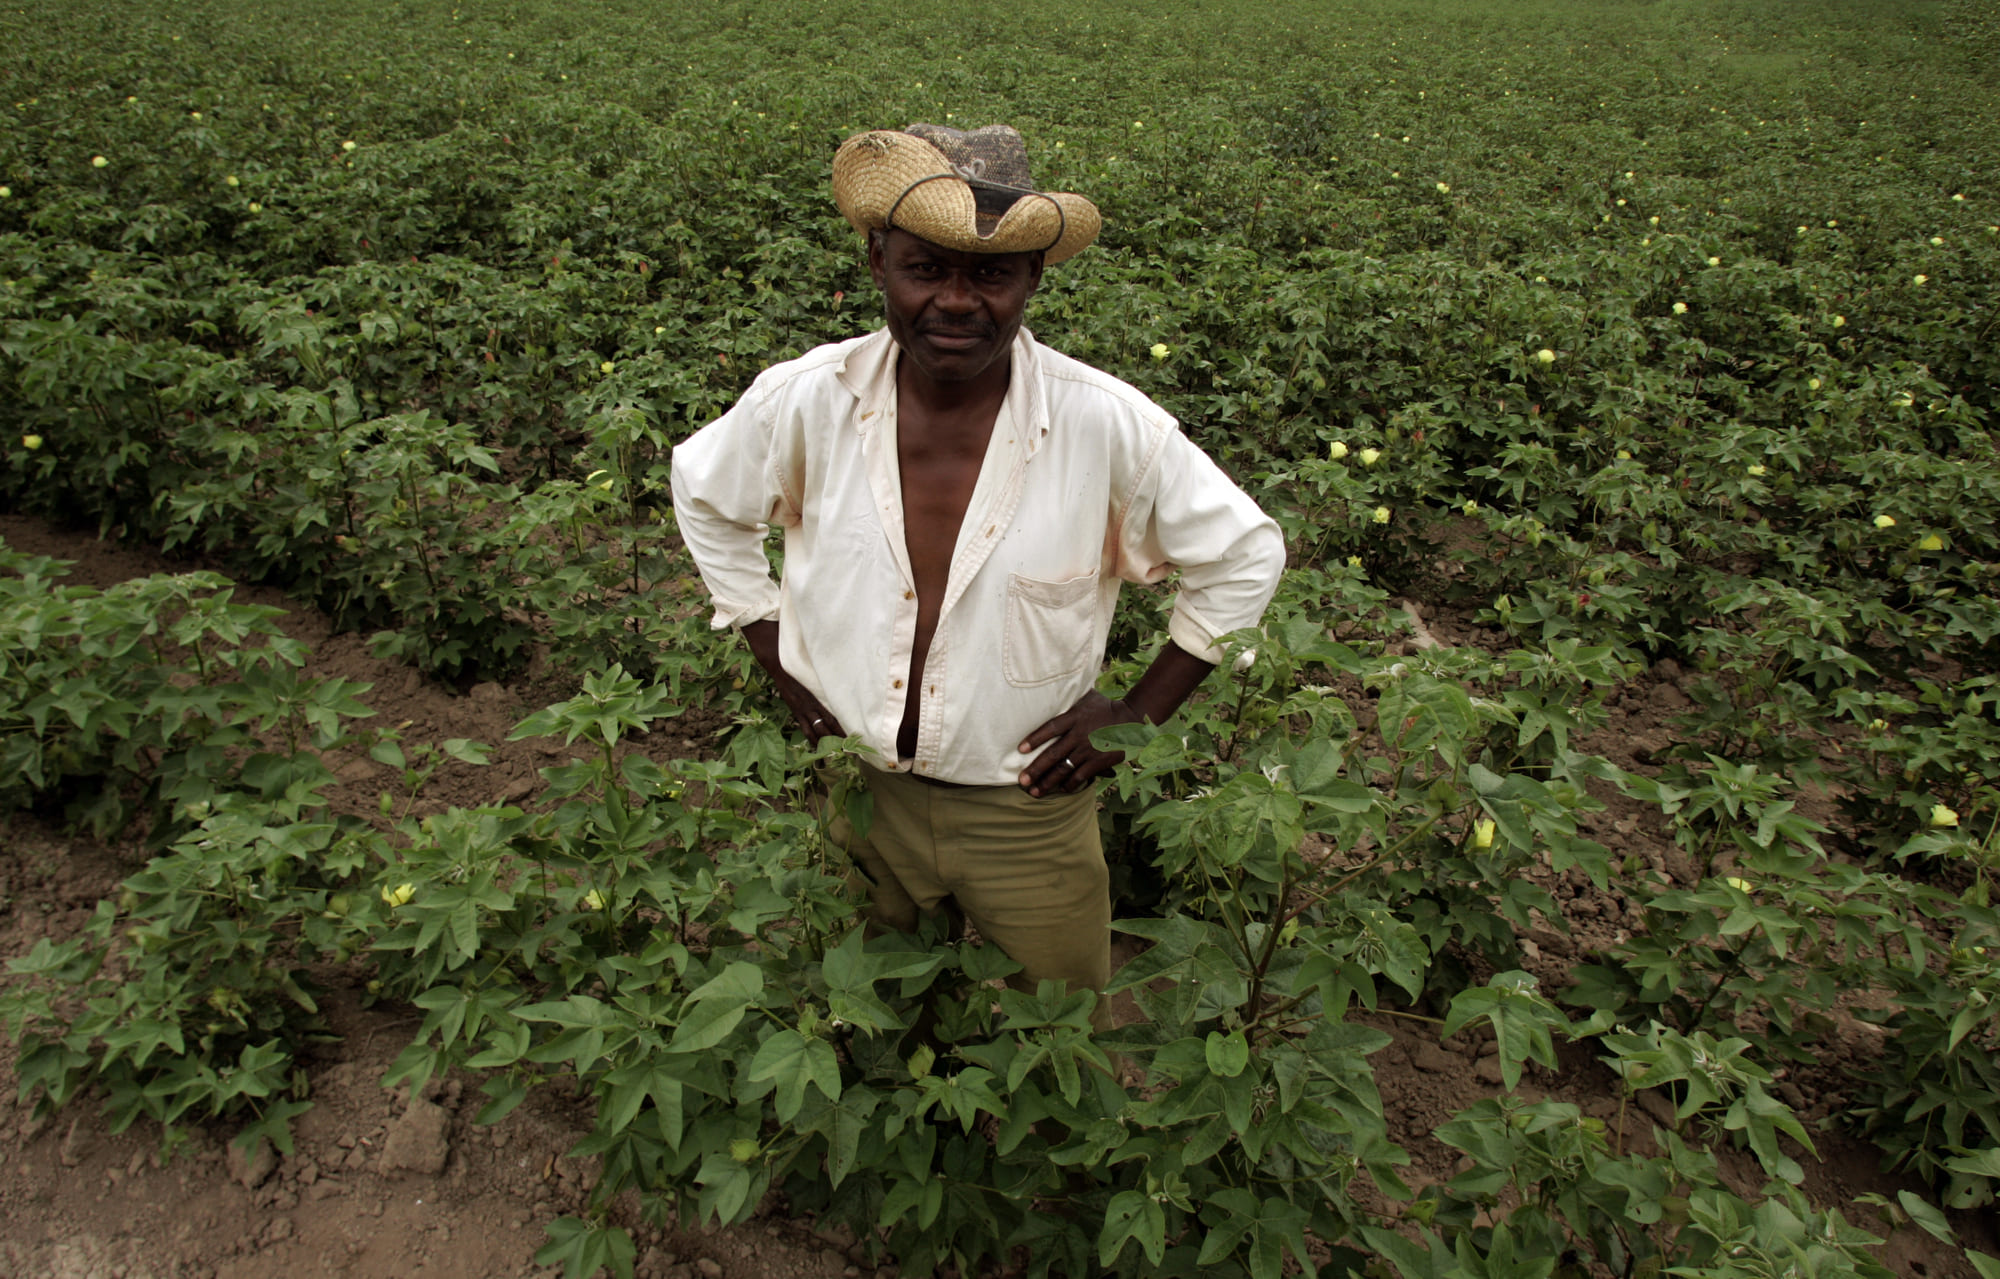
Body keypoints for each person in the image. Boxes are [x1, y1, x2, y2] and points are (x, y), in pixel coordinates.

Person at [670, 123, 1284, 1030]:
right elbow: (704, 492)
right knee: (858, 1019)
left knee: (1057, 1030)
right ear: (878, 260)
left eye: (991, 276)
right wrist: (776, 657)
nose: (956, 301)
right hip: (858, 790)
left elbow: (1244, 553)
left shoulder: (1106, 427)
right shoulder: (806, 401)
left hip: (1028, 806)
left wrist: (1135, 715)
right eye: (926, 268)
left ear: (1035, 276)